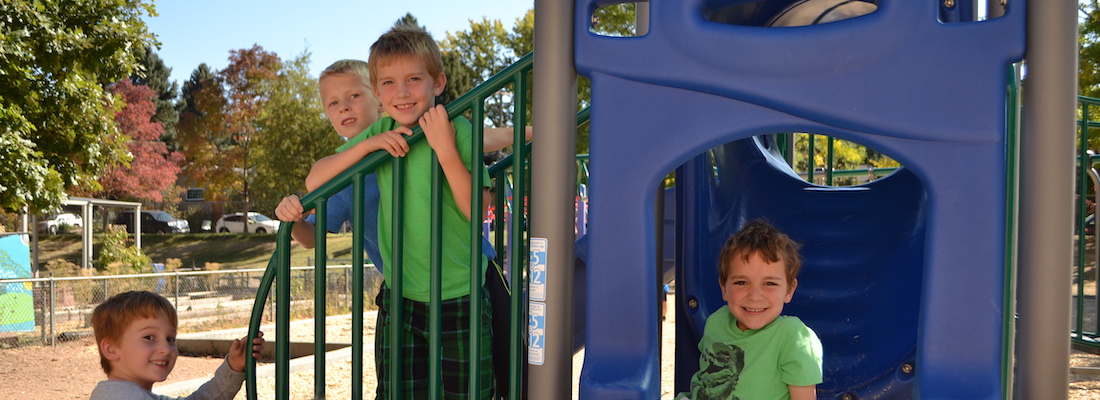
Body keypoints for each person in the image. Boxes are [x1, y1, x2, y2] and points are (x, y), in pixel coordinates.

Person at [273, 57, 528, 397]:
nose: (344, 107)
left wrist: (531, 132)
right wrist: (292, 220)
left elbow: (488, 137)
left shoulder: (418, 132)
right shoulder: (347, 178)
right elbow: (311, 237)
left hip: (470, 272)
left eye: (353, 96)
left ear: (378, 98)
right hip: (407, 288)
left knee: (508, 369)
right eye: (333, 103)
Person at [677, 219, 823, 400]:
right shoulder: (716, 322)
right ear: (724, 288)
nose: (755, 296)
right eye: (741, 282)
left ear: (789, 290)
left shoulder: (793, 337)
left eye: (769, 283)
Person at [89, 291, 265, 400]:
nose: (165, 349)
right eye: (149, 337)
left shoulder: (136, 394)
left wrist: (233, 368)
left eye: (170, 338)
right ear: (111, 349)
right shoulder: (120, 396)